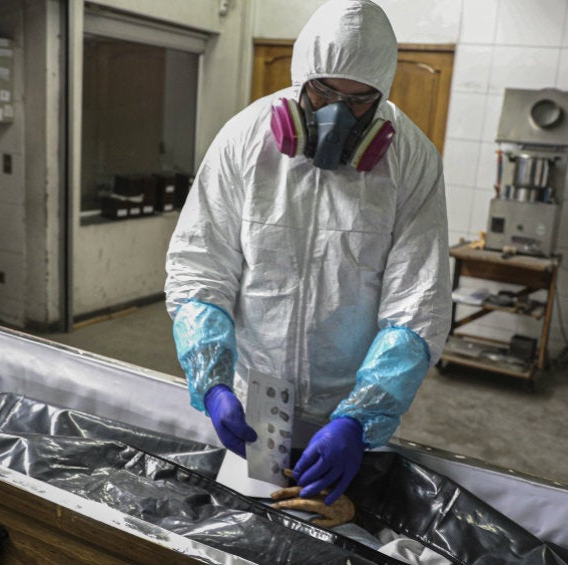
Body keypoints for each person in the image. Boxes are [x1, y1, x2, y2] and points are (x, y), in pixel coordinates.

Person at [165, 0, 450, 506]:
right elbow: (199, 267)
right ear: (301, 81)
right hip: (254, 394)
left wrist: (361, 416)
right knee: (248, 521)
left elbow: (418, 303)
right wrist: (212, 381)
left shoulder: (411, 159)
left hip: (350, 404)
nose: (337, 113)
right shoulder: (244, 139)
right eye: (324, 92)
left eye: (358, 100)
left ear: (382, 95)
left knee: (336, 528)